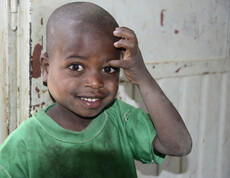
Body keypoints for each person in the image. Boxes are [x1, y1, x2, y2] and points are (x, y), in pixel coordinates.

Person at [0, 2, 192, 178]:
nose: (95, 82)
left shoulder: (120, 119)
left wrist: (142, 76)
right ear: (46, 69)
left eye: (108, 69)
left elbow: (179, 145)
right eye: (76, 67)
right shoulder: (24, 143)